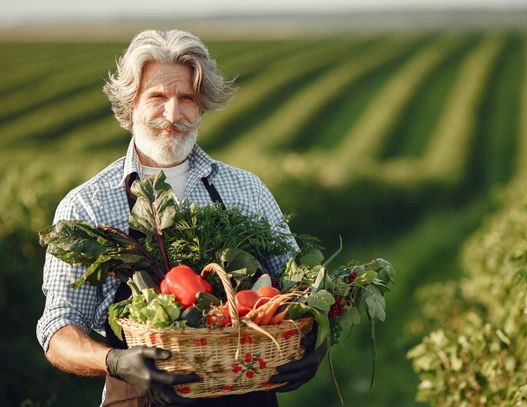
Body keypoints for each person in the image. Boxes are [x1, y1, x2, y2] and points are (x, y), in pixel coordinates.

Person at [36, 29, 327, 407]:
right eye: (157, 97)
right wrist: (114, 359)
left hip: (246, 396)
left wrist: (311, 341)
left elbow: (294, 287)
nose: (173, 115)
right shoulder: (88, 205)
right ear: (131, 106)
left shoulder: (247, 190)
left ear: (202, 106)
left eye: (186, 99)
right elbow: (57, 329)